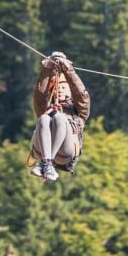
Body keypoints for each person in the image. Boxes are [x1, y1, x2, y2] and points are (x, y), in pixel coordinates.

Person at [29, 51, 90, 182]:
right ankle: (46, 163)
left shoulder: (78, 111)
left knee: (59, 117)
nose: (61, 89)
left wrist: (68, 69)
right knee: (44, 118)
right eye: (58, 87)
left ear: (70, 91)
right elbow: (39, 95)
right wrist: (47, 68)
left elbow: (82, 95)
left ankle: (47, 164)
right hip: (41, 151)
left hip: (65, 153)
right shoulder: (46, 107)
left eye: (64, 87)